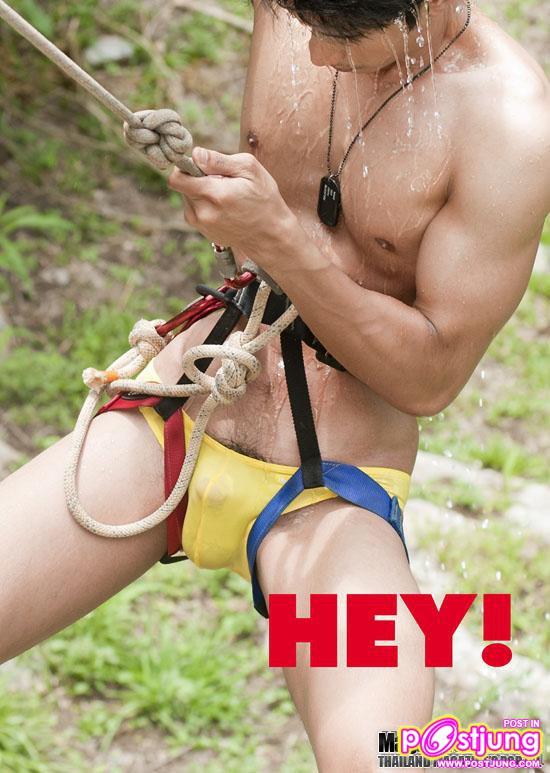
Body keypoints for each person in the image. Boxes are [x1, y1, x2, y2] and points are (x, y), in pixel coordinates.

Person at [1, 0, 548, 769]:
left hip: (330, 490)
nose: (314, 52)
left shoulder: (508, 122)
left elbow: (431, 377)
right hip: (176, 420)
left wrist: (280, 239)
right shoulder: (291, 5)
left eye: (341, 35)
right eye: (302, 20)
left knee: (383, 756)